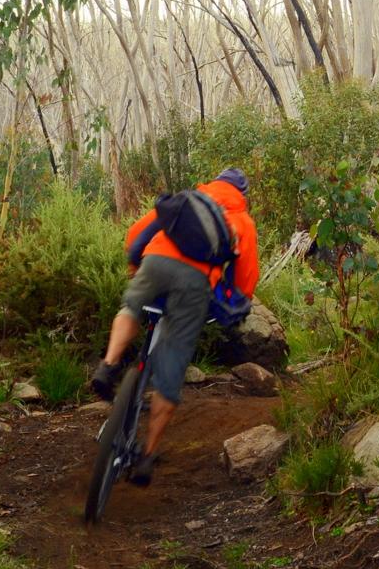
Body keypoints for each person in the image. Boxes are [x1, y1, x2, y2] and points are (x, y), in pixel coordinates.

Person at [90, 167, 260, 485]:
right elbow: (245, 279)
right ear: (243, 195)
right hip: (194, 285)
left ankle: (108, 364)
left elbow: (137, 233)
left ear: (214, 183)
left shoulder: (189, 198)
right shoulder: (242, 222)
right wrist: (231, 306)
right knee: (170, 376)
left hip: (155, 262)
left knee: (130, 307)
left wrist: (136, 265)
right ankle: (147, 456)